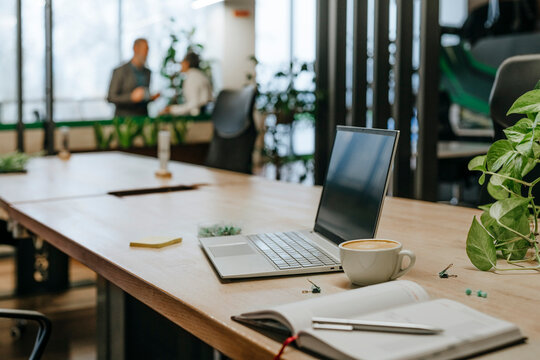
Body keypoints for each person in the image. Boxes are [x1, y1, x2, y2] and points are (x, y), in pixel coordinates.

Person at [107, 38, 160, 117]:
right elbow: (111, 97)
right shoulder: (120, 71)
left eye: (148, 50)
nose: (146, 53)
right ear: (135, 49)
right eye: (145, 49)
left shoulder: (148, 72)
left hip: (143, 118)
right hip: (124, 120)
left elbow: (143, 96)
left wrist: (151, 98)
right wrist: (131, 97)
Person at [164, 52, 213, 116]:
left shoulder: (192, 78)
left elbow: (193, 104)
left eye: (183, 61)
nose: (181, 64)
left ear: (187, 63)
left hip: (200, 118)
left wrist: (172, 109)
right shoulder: (200, 75)